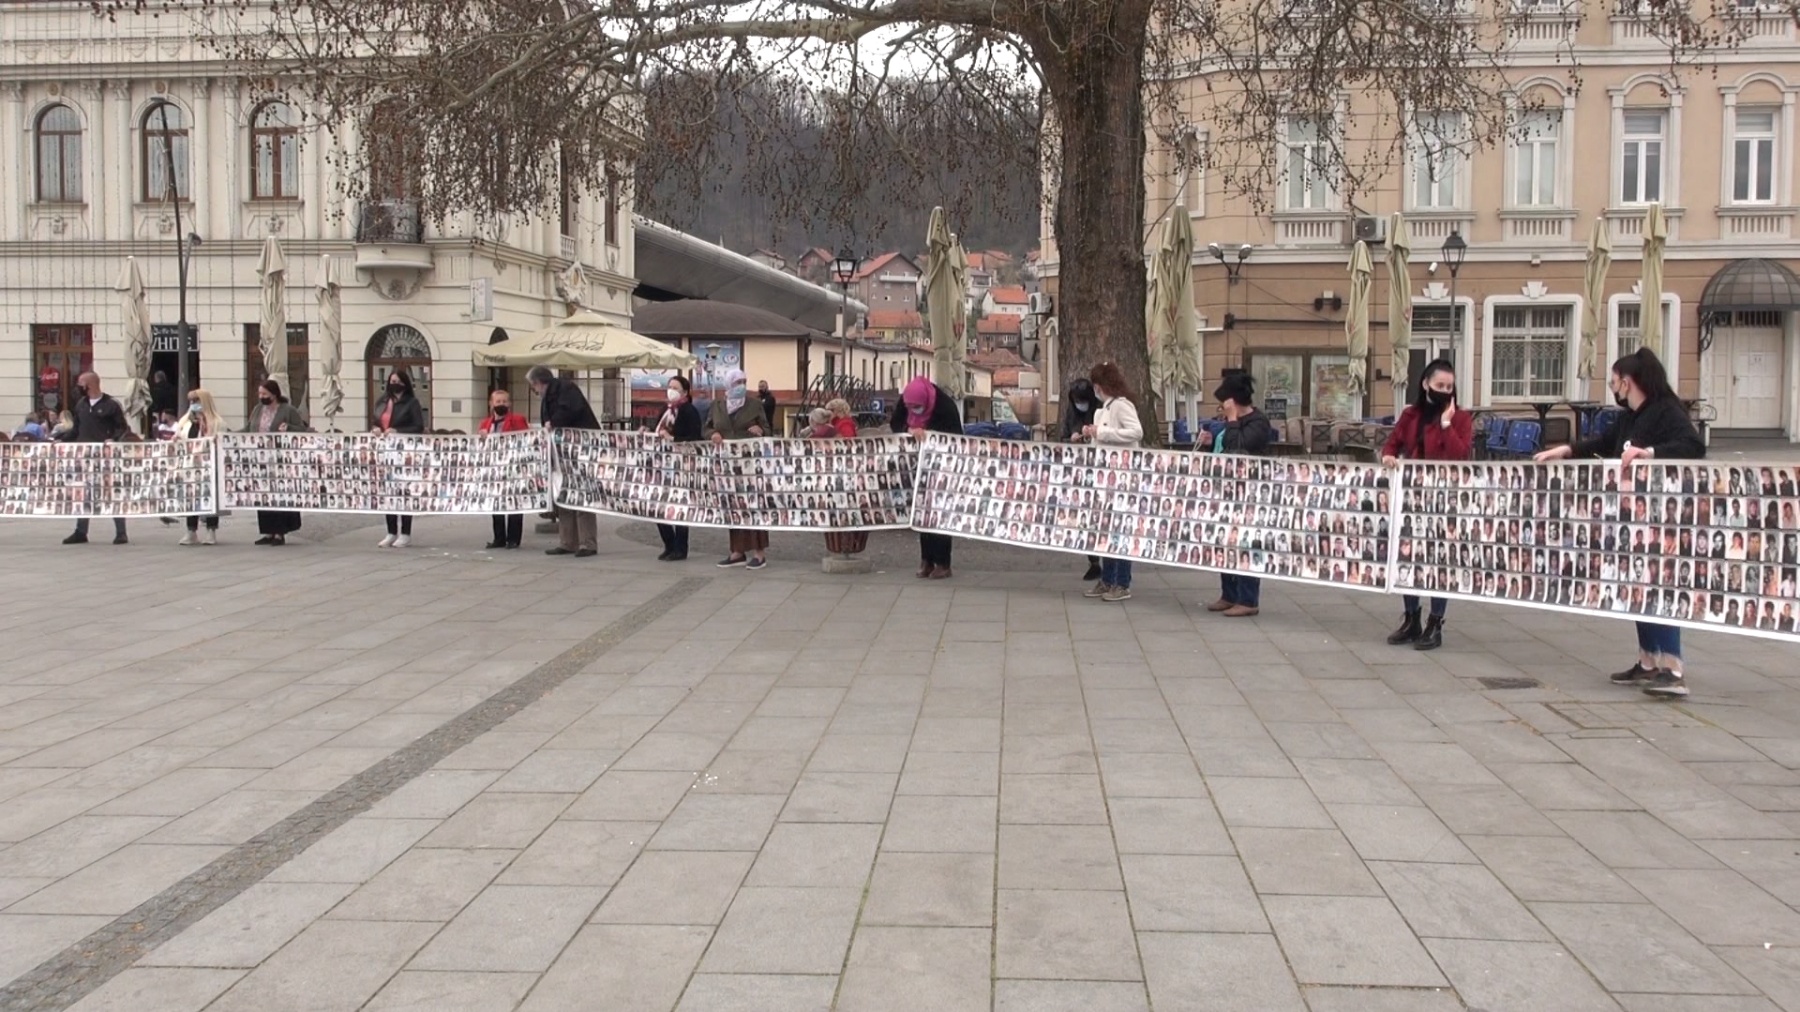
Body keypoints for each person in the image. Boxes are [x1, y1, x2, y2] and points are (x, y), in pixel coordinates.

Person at [1536, 348, 1704, 698]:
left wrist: (1650, 454)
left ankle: (1673, 668)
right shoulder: (1630, 417)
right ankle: (1647, 661)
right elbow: (1604, 443)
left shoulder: (1666, 411)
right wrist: (1565, 451)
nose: (1613, 388)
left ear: (1627, 383)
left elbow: (1692, 445)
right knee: (1637, 588)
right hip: (1630, 516)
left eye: (1613, 382)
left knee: (1658, 587)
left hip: (1661, 515)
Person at [1381, 359, 1474, 649]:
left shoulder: (1461, 418)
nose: (1445, 391)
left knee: (1438, 560)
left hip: (1444, 499)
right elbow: (1393, 443)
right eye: (1439, 386)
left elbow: (1460, 456)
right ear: (1426, 385)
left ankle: (1436, 622)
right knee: (1409, 556)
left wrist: (1446, 425)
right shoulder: (1411, 415)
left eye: (1449, 386)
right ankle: (1411, 618)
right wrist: (1388, 456)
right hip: (1413, 496)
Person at [1206, 373, 1275, 617]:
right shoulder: (1230, 422)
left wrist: (1233, 420)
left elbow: (1239, 450)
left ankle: (1248, 598)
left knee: (1246, 543)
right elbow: (1224, 446)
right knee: (1226, 541)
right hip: (1227, 491)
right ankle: (1229, 593)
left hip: (1249, 492)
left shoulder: (1258, 422)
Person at [1081, 363, 1144, 602]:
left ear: (1099, 386)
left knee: (1120, 532)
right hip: (1105, 478)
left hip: (1122, 478)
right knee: (1105, 531)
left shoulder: (1121, 405)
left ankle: (1121, 582)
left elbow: (1136, 432)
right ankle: (1108, 579)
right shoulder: (1103, 409)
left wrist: (1103, 433)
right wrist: (1091, 435)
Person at [892, 375, 965, 578]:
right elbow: (895, 423)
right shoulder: (906, 401)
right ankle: (926, 561)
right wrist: (909, 429)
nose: (914, 411)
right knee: (922, 513)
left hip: (941, 468)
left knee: (939, 514)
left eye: (917, 407)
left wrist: (930, 435)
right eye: (911, 407)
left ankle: (943, 562)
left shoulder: (945, 406)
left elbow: (955, 438)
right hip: (918, 466)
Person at [530, 365, 602, 558]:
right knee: (563, 495)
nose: (534, 390)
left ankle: (588, 543)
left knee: (581, 495)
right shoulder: (550, 394)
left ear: (538, 382)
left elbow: (569, 410)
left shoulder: (565, 389)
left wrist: (553, 423)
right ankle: (567, 541)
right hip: (560, 452)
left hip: (578, 451)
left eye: (534, 386)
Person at [709, 369, 772, 569]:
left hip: (750, 465)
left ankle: (759, 553)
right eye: (737, 382)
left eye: (744, 381)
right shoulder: (717, 405)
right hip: (727, 465)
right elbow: (707, 427)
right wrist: (713, 434)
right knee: (732, 505)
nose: (741, 385)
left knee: (753, 505)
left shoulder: (754, 404)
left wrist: (761, 431)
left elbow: (768, 429)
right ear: (728, 384)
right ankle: (737, 551)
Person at [63, 372, 129, 546]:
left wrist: (113, 439)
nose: (78, 387)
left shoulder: (111, 405)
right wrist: (59, 440)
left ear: (90, 385)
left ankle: (121, 532)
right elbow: (76, 430)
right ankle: (81, 531)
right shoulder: (81, 405)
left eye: (81, 384)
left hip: (104, 457)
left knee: (111, 492)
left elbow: (122, 427)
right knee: (83, 493)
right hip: (84, 456)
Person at [247, 379, 308, 546]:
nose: (262, 397)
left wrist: (288, 428)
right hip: (261, 458)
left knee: (279, 493)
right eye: (260, 394)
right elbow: (249, 428)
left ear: (274, 394)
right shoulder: (258, 409)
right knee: (263, 495)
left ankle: (280, 532)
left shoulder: (288, 410)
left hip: (281, 459)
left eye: (265, 394)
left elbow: (302, 429)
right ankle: (267, 531)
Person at [372, 370, 425, 548]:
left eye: (397, 381)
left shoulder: (412, 402)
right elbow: (377, 421)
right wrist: (376, 429)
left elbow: (418, 426)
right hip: (385, 452)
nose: (393, 383)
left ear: (404, 383)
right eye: (391, 380)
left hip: (404, 452)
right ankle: (391, 531)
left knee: (404, 492)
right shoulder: (383, 401)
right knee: (389, 493)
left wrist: (398, 431)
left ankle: (406, 532)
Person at [655, 375, 703, 561]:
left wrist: (672, 439)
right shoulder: (665, 411)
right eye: (669, 387)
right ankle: (668, 544)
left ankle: (680, 548)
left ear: (685, 392)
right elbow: (658, 430)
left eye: (675, 387)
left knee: (679, 507)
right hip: (662, 465)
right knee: (659, 507)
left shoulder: (689, 411)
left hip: (681, 467)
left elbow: (695, 438)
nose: (671, 390)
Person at [1060, 377, 1103, 582]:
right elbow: (1063, 434)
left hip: (1096, 469)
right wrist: (1071, 438)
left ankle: (1103, 561)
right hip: (1078, 471)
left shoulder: (1099, 410)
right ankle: (1094, 561)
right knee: (1084, 520)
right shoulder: (1071, 410)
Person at [480, 388, 530, 549]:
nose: (501, 404)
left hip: (513, 468)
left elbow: (525, 440)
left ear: (509, 403)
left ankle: (514, 538)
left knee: (514, 501)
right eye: (497, 401)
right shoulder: (485, 424)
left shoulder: (517, 420)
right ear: (491, 404)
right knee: (496, 502)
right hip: (494, 469)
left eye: (504, 401)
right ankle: (499, 537)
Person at [176, 389, 227, 545]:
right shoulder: (186, 422)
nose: (193, 405)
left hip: (209, 467)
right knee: (191, 498)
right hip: (190, 467)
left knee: (210, 497)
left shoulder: (217, 423)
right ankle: (191, 530)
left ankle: (211, 530)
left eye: (196, 401)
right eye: (191, 401)